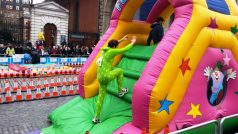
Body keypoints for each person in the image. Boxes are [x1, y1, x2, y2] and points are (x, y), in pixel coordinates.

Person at [92, 35, 137, 124]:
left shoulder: (104, 50)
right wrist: (133, 42)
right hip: (106, 76)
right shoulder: (112, 51)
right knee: (120, 71)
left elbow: (113, 44)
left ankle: (96, 117)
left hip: (100, 78)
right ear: (114, 47)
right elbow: (123, 50)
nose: (116, 47)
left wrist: (122, 39)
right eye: (116, 46)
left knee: (101, 97)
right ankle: (120, 91)